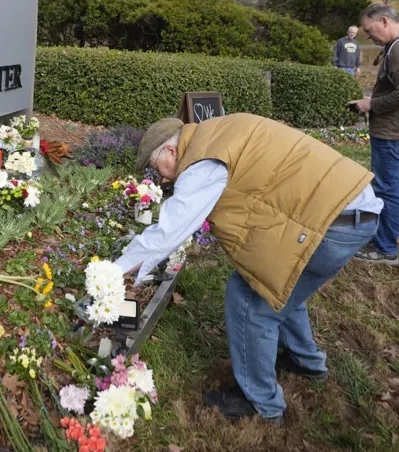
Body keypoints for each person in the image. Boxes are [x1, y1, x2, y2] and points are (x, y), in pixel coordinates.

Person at [116, 113, 381, 425]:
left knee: (250, 299)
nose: (159, 178)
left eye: (154, 166)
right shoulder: (216, 133)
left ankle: (262, 403)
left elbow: (168, 234)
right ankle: (306, 361)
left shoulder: (202, 162)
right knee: (275, 278)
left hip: (332, 223)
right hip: (352, 208)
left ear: (171, 152)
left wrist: (112, 274)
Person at [349, 3, 399, 266]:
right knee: (385, 186)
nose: (368, 37)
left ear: (383, 20)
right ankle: (380, 239)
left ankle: (385, 249)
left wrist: (371, 104)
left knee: (387, 190)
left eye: (369, 31)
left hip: (394, 132)